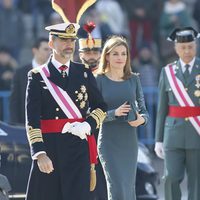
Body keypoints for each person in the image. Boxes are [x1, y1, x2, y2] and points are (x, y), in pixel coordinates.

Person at [25, 22, 107, 200]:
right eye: (63, 40)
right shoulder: (38, 76)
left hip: (78, 147)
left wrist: (88, 125)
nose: (69, 44)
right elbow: (32, 119)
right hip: (50, 149)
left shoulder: (84, 72)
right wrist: (39, 153)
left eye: (72, 40)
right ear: (51, 43)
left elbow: (101, 106)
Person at [96, 36, 149, 200]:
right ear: (107, 56)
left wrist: (142, 120)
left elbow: (144, 111)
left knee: (128, 189)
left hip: (129, 143)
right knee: (116, 189)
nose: (120, 58)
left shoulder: (134, 79)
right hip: (108, 143)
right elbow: (91, 114)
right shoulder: (99, 80)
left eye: (123, 54)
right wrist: (114, 113)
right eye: (115, 54)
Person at [154, 27, 200, 200]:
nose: (187, 51)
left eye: (190, 46)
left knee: (197, 181)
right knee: (170, 177)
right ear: (176, 49)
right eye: (183, 47)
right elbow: (161, 108)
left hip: (197, 133)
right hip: (172, 134)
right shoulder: (167, 72)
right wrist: (158, 139)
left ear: (195, 46)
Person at [78, 22, 107, 200]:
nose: (91, 56)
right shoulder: (73, 74)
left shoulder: (109, 75)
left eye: (95, 52)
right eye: (87, 52)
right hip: (80, 133)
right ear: (80, 54)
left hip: (104, 132)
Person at [9, 38, 51, 126]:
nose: (49, 52)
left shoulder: (55, 71)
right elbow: (15, 101)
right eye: (45, 49)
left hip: (49, 124)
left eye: (51, 50)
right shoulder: (20, 72)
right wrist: (16, 125)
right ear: (35, 50)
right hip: (26, 124)